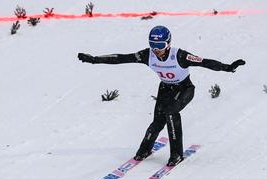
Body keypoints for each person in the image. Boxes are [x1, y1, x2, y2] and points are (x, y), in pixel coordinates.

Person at [77, 26, 245, 167]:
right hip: (165, 89)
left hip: (185, 88)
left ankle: (176, 154)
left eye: (160, 45)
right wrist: (94, 59)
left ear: (168, 43)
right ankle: (145, 149)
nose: (156, 49)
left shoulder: (179, 55)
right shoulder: (147, 55)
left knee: (171, 112)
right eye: (153, 45)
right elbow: (121, 58)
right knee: (158, 120)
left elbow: (205, 62)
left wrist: (227, 67)